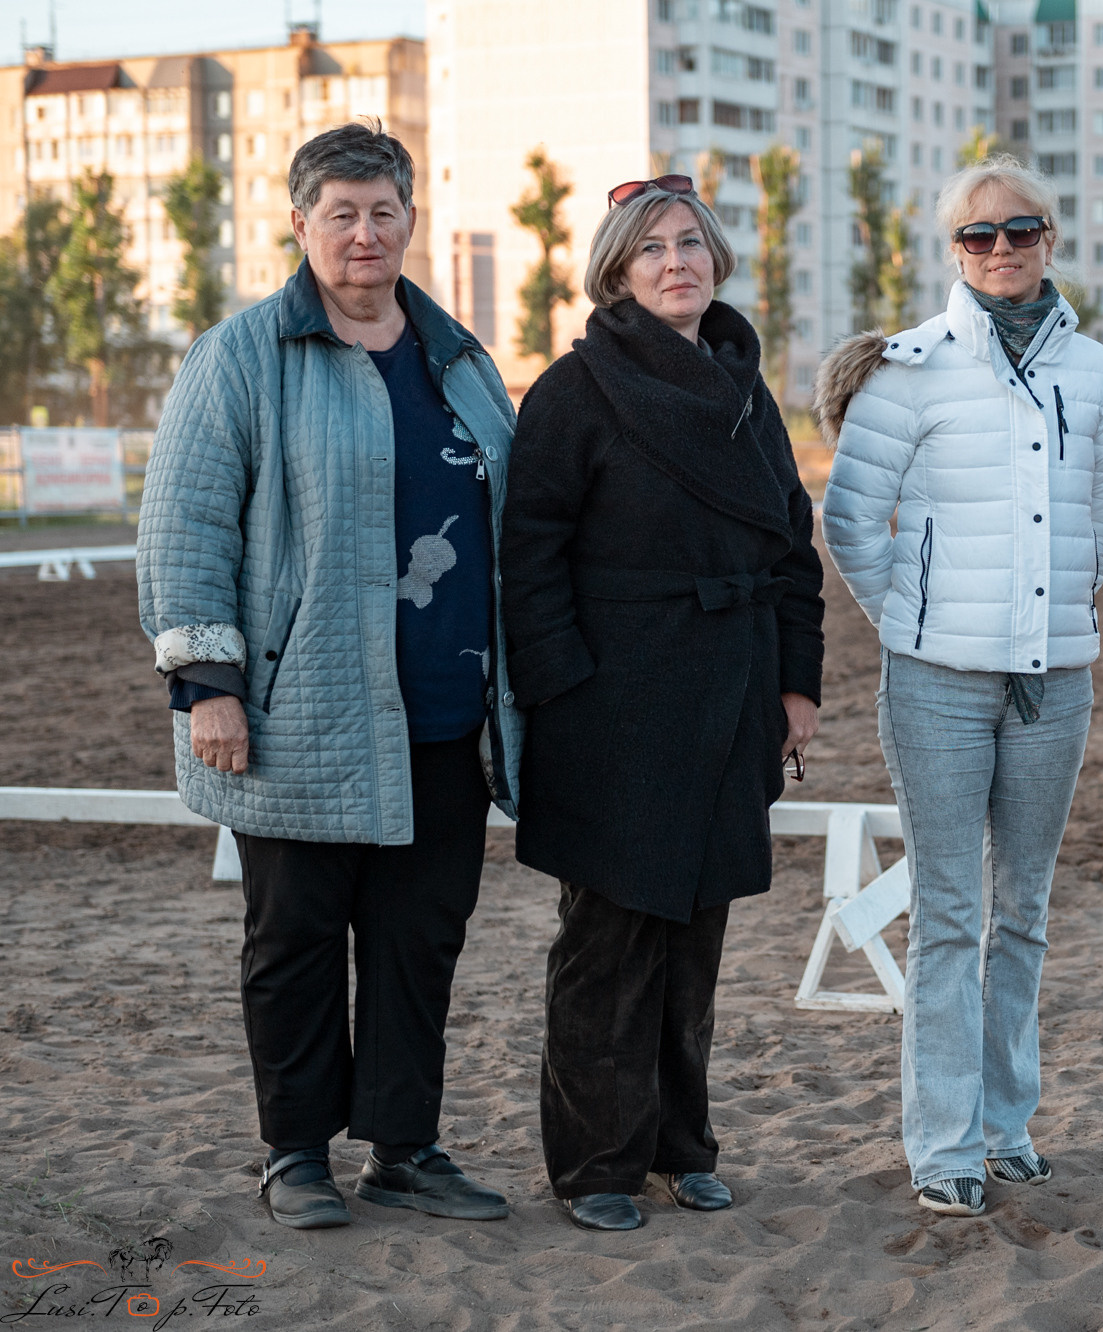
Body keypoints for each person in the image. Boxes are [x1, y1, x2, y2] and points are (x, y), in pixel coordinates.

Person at [136, 121, 519, 1229]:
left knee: (417, 943)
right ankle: (295, 1153)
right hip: (298, 712)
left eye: (382, 210)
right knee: (295, 942)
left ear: (409, 219)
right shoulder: (242, 355)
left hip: (444, 712)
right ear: (300, 224)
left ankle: (404, 1147)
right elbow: (187, 524)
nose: (364, 232)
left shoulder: (460, 359)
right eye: (340, 213)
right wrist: (209, 683)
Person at [816, 157, 1103, 1218]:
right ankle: (944, 1143)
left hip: (1054, 686)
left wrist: (1037, 621)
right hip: (934, 688)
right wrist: (918, 624)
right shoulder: (905, 371)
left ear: (1048, 238)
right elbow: (852, 527)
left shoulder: (1094, 375)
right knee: (950, 914)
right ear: (951, 250)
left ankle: (1006, 1126)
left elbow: (1102, 523)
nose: (999, 250)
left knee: (1026, 912)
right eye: (977, 236)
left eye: (1019, 230)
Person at [500, 175, 825, 1232]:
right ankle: (596, 1163)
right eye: (652, 250)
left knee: (695, 938)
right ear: (616, 273)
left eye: (690, 243)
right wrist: (565, 691)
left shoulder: (744, 390)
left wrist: (794, 683)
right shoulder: (575, 389)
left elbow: (789, 548)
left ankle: (679, 1148)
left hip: (728, 691)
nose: (676, 261)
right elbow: (530, 556)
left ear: (716, 260)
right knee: (607, 943)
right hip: (612, 702)